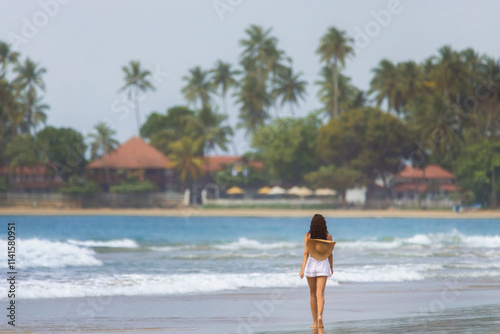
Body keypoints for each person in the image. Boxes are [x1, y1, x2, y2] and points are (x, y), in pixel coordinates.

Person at [299, 214, 335, 329]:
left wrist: (302, 269)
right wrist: (331, 267)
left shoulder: (308, 236)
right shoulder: (328, 236)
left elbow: (306, 253)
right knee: (320, 294)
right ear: (324, 224)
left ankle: (315, 322)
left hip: (311, 265)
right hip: (323, 264)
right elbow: (330, 253)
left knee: (312, 294)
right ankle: (320, 316)